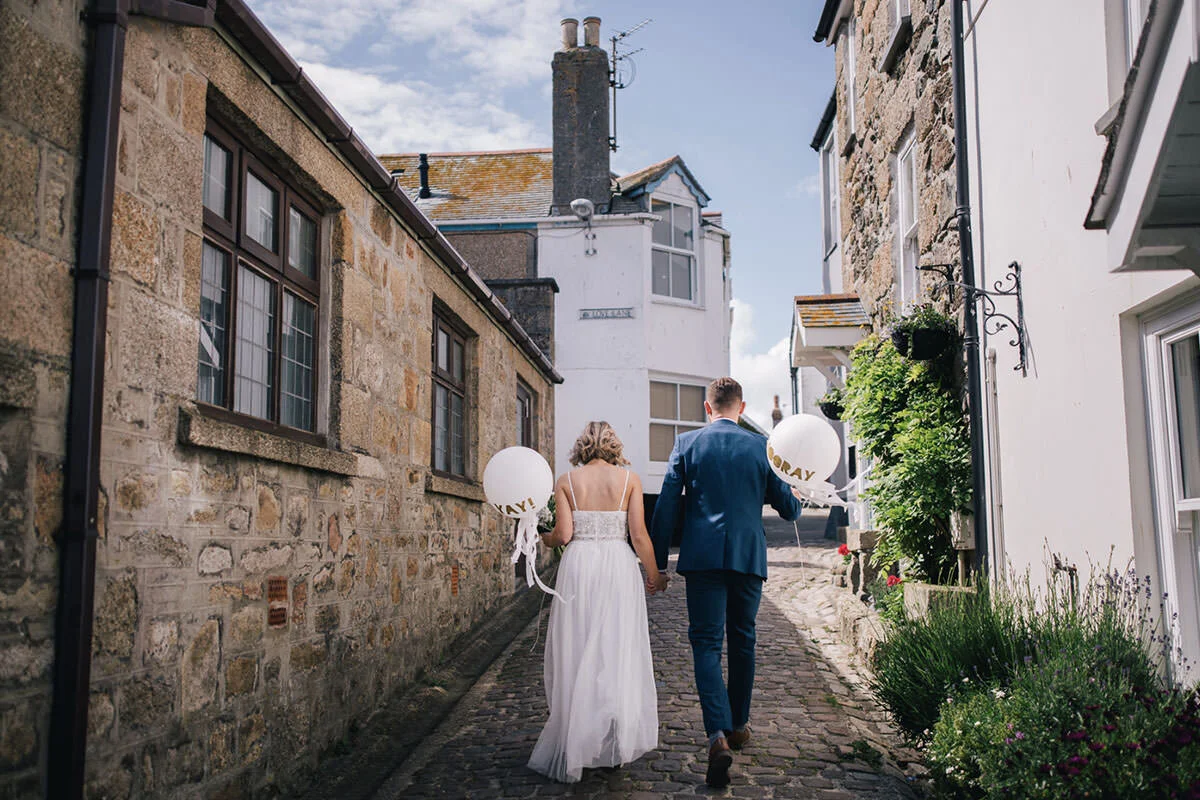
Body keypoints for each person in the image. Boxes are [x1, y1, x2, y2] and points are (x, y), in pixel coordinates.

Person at [650, 377, 804, 788]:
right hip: (748, 557)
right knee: (743, 639)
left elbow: (666, 507)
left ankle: (716, 734)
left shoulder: (686, 445)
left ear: (707, 407)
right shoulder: (762, 447)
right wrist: (794, 489)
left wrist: (659, 563)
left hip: (701, 558)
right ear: (741, 407)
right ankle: (738, 725)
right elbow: (789, 511)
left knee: (704, 642)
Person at [527, 421, 668, 783]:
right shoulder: (630, 480)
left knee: (577, 646)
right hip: (618, 567)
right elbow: (639, 536)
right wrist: (654, 576)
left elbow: (564, 535)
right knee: (615, 648)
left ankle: (579, 739)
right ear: (613, 446)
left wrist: (543, 536)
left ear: (582, 447)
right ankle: (612, 742)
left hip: (580, 567)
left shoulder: (566, 481)